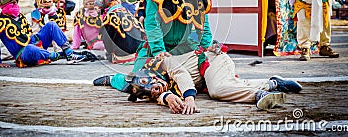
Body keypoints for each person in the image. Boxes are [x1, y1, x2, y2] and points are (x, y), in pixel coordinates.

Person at [95, 0, 214, 92]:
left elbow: (204, 24)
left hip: (186, 48)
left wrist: (205, 48)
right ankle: (114, 79)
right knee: (140, 84)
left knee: (205, 77)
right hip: (156, 49)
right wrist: (159, 52)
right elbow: (152, 24)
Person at [107, 46, 303, 113]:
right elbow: (157, 95)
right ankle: (272, 83)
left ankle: (259, 94)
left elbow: (181, 74)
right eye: (144, 92)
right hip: (205, 79)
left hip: (210, 60)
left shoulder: (161, 62)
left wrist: (189, 98)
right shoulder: (151, 90)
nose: (152, 90)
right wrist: (166, 96)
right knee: (219, 88)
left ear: (148, 75)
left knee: (218, 90)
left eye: (148, 84)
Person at [0, 0, 86, 67]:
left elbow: (30, 36)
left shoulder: (20, 17)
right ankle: (58, 56)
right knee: (29, 49)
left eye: (16, 2)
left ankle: (69, 54)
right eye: (13, 3)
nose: (15, 5)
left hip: (35, 43)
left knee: (51, 25)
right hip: (23, 54)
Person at [99, 0, 145, 64]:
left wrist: (110, 52)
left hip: (124, 55)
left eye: (102, 1)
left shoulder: (110, 15)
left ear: (107, 1)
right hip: (139, 52)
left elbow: (106, 38)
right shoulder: (127, 12)